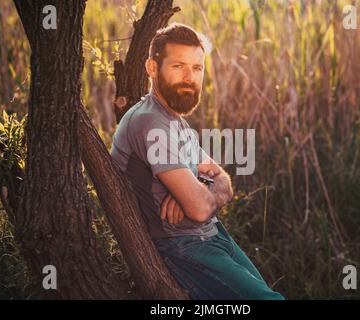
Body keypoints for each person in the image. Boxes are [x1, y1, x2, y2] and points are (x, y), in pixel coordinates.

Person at [110, 22, 284, 300]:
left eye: (197, 68)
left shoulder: (176, 123)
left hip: (213, 235)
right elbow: (202, 208)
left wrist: (195, 190)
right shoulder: (150, 123)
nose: (189, 77)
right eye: (178, 66)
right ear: (152, 68)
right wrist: (198, 196)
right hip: (183, 246)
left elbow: (224, 181)